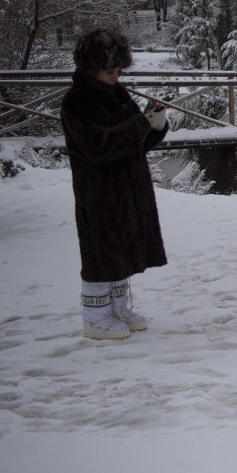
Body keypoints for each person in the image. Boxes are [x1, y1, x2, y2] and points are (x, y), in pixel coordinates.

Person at [61, 28, 169, 340]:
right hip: (98, 191)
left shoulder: (117, 95)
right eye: (110, 71)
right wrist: (139, 124)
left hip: (128, 188)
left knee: (122, 247)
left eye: (119, 71)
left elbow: (135, 142)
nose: (115, 77)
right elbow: (97, 146)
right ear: (91, 69)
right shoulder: (76, 102)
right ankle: (94, 316)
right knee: (100, 250)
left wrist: (155, 126)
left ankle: (118, 308)